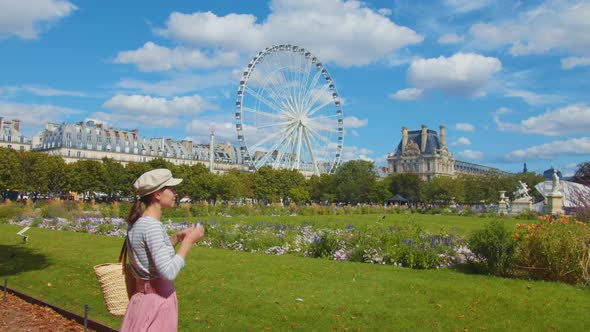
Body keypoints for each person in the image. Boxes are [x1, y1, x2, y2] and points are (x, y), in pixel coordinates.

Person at [121, 168, 204, 332]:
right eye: (171, 189)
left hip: (141, 301)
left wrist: (176, 238)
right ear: (157, 194)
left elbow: (149, 254)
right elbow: (168, 272)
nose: (175, 193)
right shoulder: (152, 226)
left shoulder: (138, 223)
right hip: (157, 302)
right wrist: (188, 242)